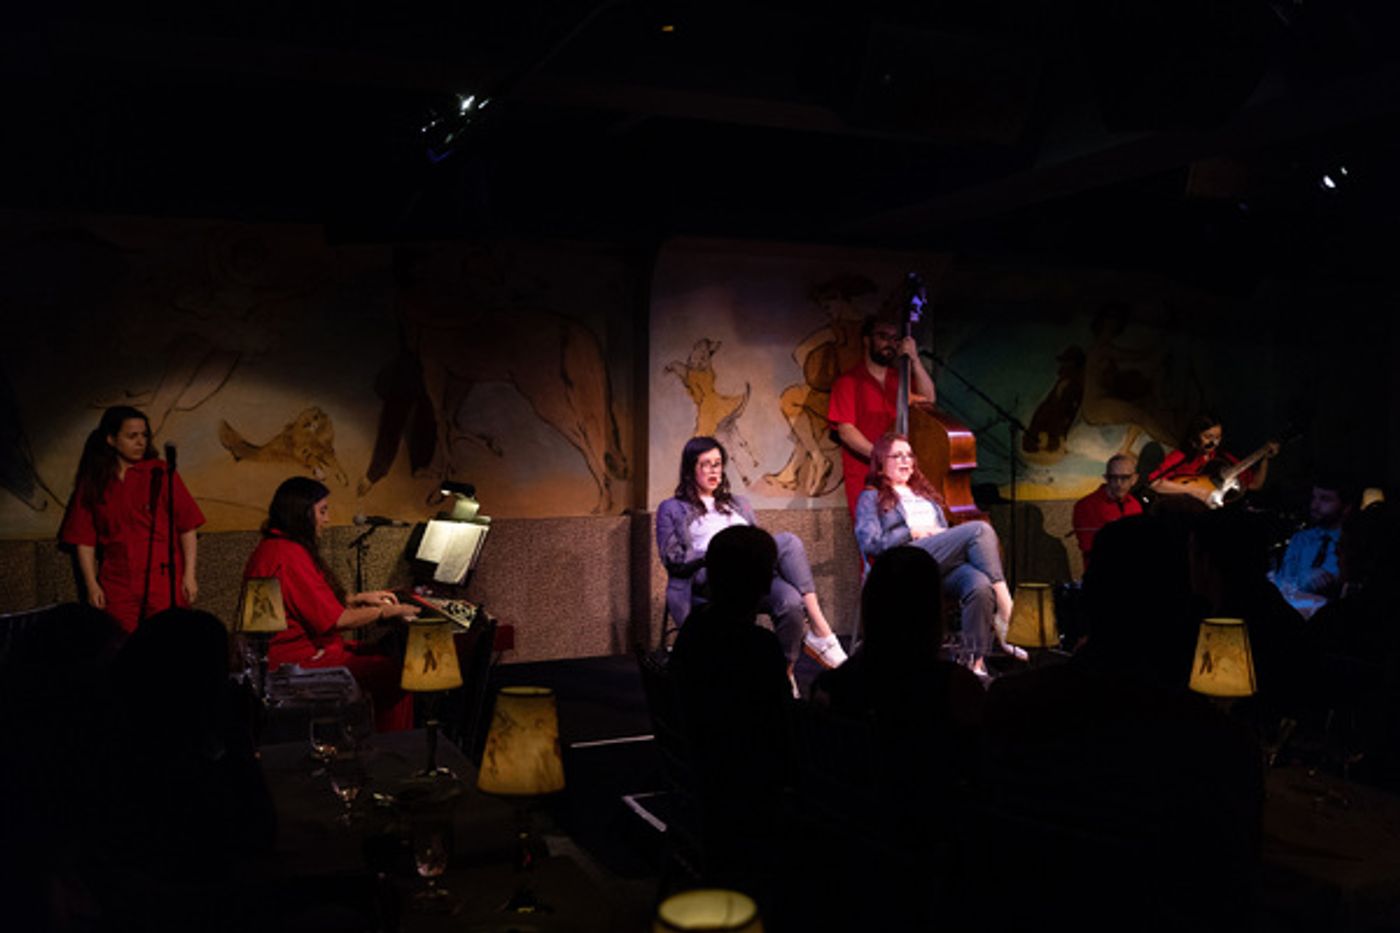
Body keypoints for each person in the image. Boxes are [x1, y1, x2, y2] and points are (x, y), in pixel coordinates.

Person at [656, 436, 847, 673]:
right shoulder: (672, 508)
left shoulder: (739, 503)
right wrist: (718, 552)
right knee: (788, 541)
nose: (714, 470)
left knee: (790, 600)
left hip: (750, 575)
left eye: (718, 464)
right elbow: (672, 557)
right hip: (712, 576)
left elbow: (757, 543)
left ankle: (784, 671)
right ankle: (822, 632)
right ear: (690, 469)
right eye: (705, 464)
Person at [243, 476, 418, 732]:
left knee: (382, 654)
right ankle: (390, 746)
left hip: (288, 655)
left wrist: (357, 599)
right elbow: (335, 620)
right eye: (322, 511)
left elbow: (303, 600)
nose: (327, 519)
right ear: (302, 514)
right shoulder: (287, 555)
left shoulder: (272, 547)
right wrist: (387, 611)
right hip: (291, 664)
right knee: (398, 674)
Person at [854, 433, 1024, 677]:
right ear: (881, 463)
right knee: (979, 529)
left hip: (936, 564)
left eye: (909, 455)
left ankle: (973, 663)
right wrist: (911, 532)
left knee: (979, 584)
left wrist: (942, 537)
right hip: (902, 566)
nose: (905, 460)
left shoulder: (925, 495)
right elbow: (870, 544)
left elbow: (942, 533)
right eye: (897, 455)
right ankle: (1007, 612)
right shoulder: (870, 497)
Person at [59, 405, 204, 633]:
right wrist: (91, 585)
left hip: (162, 578)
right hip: (118, 580)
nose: (140, 442)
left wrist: (189, 575)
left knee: (167, 639)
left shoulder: (160, 473)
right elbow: (84, 539)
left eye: (144, 435)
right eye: (132, 436)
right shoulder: (95, 481)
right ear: (111, 439)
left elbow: (187, 526)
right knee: (119, 641)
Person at [827, 310, 936, 517]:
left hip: (901, 477)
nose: (890, 343)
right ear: (867, 340)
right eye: (883, 337)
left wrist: (914, 359)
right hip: (866, 474)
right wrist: (882, 458)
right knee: (872, 533)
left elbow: (928, 400)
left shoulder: (900, 380)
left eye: (895, 339)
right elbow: (846, 431)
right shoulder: (848, 382)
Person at [1148, 412, 1278, 509]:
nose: (1214, 443)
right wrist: (1193, 491)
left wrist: (1264, 459)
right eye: (1208, 437)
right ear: (1195, 436)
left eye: (1218, 438)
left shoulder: (1223, 458)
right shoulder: (1182, 456)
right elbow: (1154, 482)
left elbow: (1255, 485)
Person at [1270, 479, 1351, 610]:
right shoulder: (1301, 539)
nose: (1314, 506)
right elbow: (1281, 581)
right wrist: (1303, 579)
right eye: (1314, 498)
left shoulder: (1353, 542)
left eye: (1325, 499)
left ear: (1346, 507)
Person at [1071, 453, 1143, 564]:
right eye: (1113, 477)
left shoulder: (1135, 505)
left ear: (1134, 479)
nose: (1119, 484)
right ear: (1106, 478)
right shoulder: (1086, 505)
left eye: (1125, 478)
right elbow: (1089, 547)